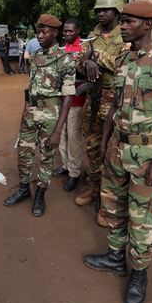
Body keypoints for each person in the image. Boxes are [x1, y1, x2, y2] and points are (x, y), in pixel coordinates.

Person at [83, 1, 152, 303]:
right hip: (117, 147)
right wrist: (104, 142)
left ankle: (139, 274)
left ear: (147, 25)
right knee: (114, 208)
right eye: (123, 21)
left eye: (129, 22)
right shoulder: (123, 59)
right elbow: (114, 104)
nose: (123, 26)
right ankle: (116, 258)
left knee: (141, 217)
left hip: (146, 153)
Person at [3, 14, 75, 216]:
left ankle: (40, 194)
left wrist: (58, 130)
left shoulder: (64, 59)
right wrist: (26, 111)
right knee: (24, 153)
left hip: (51, 114)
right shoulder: (35, 57)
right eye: (38, 31)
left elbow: (68, 96)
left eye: (44, 32)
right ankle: (24, 189)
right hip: (30, 111)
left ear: (55, 33)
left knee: (47, 155)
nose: (40, 35)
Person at [75, 0, 126, 227]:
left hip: (113, 97)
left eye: (105, 10)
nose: (101, 13)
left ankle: (109, 204)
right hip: (93, 96)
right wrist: (87, 61)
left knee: (111, 151)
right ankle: (93, 189)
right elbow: (79, 61)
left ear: (117, 11)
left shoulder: (124, 36)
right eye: (98, 10)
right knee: (92, 145)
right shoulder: (92, 37)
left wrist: (95, 58)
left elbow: (121, 64)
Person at [52, 19, 86, 191]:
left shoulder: (85, 48)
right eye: (64, 31)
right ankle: (65, 166)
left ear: (78, 31)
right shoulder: (60, 49)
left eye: (70, 31)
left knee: (73, 138)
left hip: (77, 102)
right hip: (61, 100)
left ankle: (74, 173)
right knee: (61, 136)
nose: (66, 34)